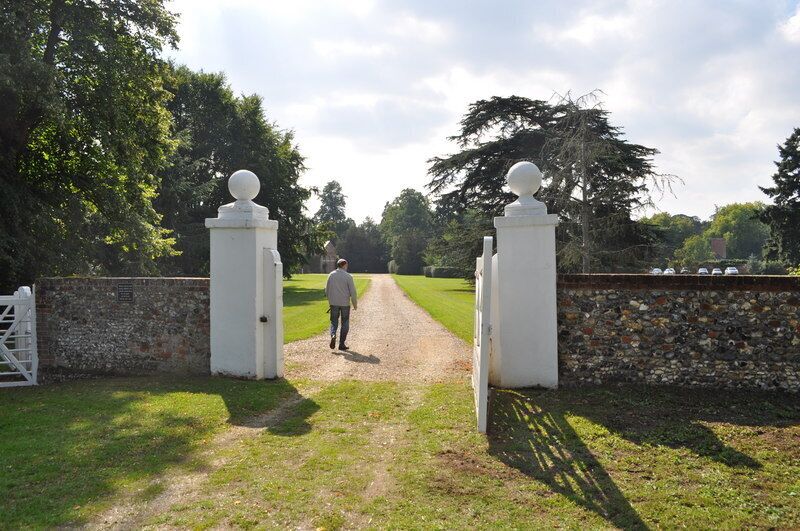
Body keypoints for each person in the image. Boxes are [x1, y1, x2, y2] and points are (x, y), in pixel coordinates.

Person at [325, 258, 358, 351]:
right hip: (345, 304)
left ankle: (333, 335)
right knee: (345, 323)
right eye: (346, 265)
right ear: (344, 265)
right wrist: (355, 305)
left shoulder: (331, 275)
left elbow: (326, 290)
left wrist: (330, 300)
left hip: (333, 303)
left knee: (334, 321)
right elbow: (353, 292)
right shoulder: (348, 276)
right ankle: (342, 344)